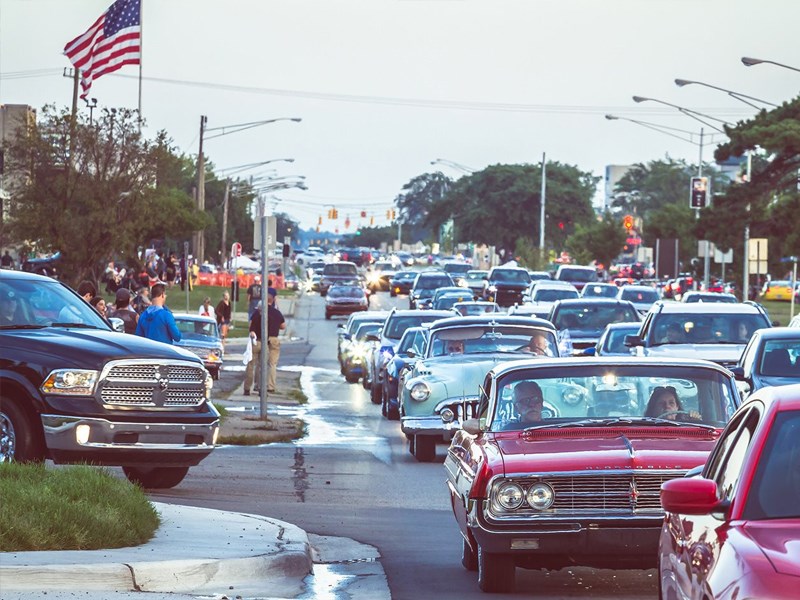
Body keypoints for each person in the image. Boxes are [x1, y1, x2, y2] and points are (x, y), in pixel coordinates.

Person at [265, 287, 286, 393]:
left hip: (262, 339)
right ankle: (271, 386)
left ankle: (259, 385)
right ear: (273, 300)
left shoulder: (261, 312)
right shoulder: (277, 313)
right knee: (272, 364)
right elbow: (283, 326)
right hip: (274, 339)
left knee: (261, 363)